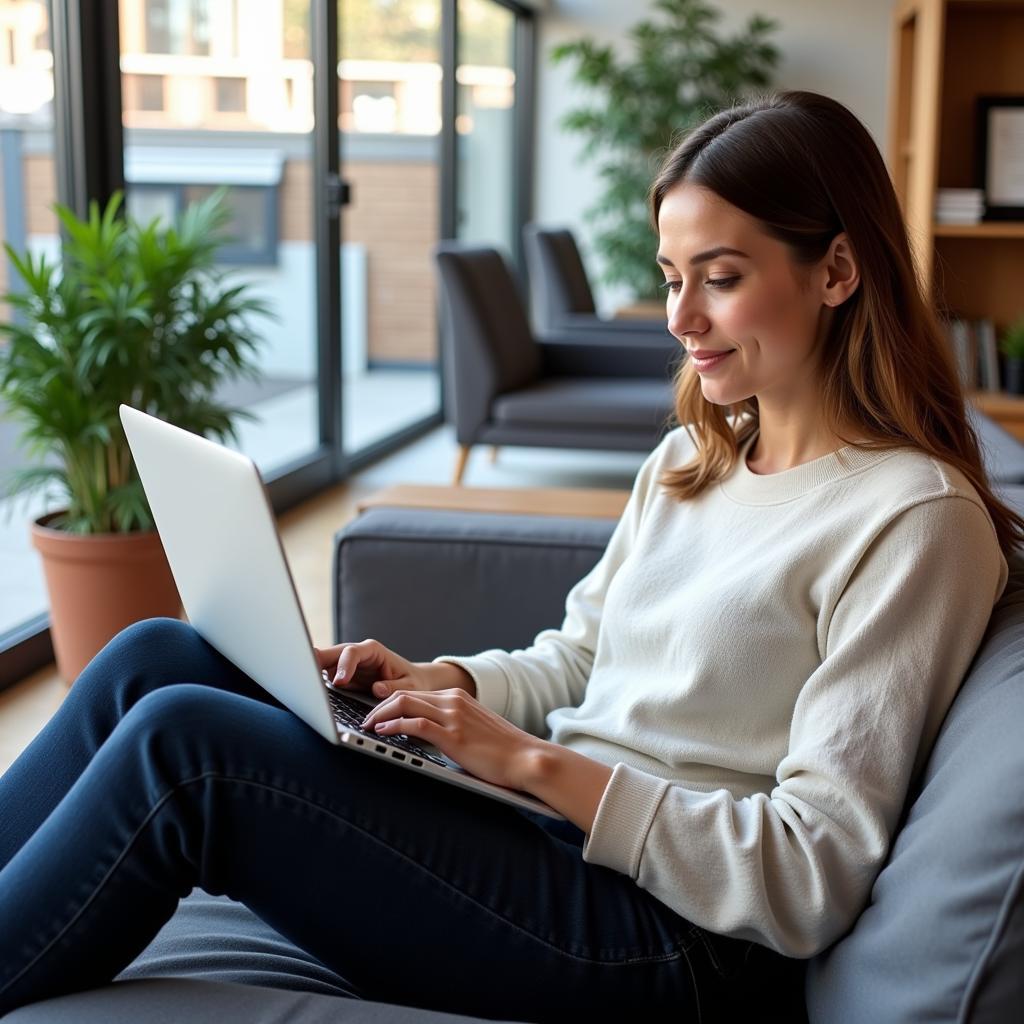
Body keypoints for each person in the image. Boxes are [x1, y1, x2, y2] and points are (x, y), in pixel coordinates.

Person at [1, 88, 1019, 1022]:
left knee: (189, 746)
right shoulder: (694, 457)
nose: (680, 319)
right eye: (671, 278)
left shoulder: (912, 519)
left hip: (673, 936)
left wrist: (524, 759)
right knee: (157, 654)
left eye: (721, 278)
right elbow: (579, 658)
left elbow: (808, 872)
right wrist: (438, 682)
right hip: (545, 835)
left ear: (836, 269)